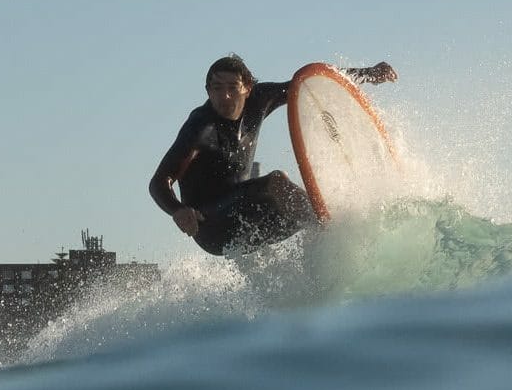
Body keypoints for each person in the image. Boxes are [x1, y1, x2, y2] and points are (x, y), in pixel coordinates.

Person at [149, 54, 398, 256]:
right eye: (216, 88)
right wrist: (178, 210)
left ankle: (329, 253)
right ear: (208, 91)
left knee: (293, 209)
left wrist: (369, 74)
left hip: (249, 212)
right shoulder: (201, 128)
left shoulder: (260, 99)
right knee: (278, 182)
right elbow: (159, 182)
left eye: (232, 88)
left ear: (248, 88)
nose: (224, 96)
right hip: (211, 226)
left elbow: (311, 84)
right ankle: (332, 231)